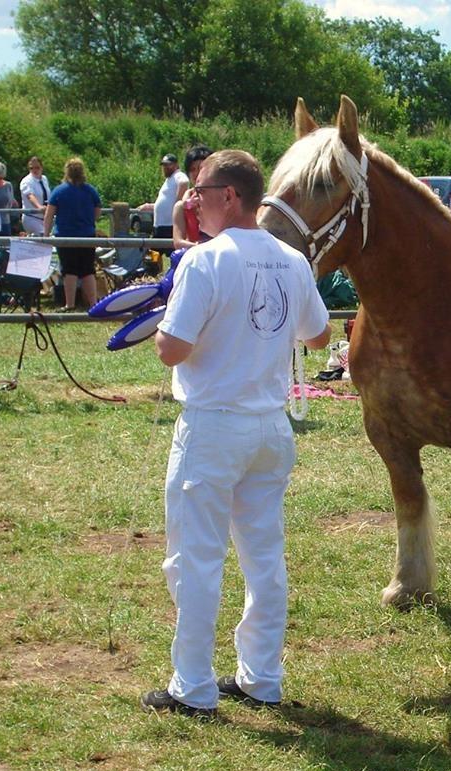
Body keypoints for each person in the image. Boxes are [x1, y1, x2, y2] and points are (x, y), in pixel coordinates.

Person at [143, 149, 331, 717]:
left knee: (196, 558)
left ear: (228, 196)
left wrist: (160, 323)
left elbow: (172, 349)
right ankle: (261, 677)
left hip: (213, 425)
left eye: (200, 191)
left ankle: (192, 685)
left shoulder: (204, 261)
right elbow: (319, 336)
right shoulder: (291, 260)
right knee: (264, 556)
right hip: (270, 426)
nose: (192, 201)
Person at [43, 158, 102, 311]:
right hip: (87, 236)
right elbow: (97, 212)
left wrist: (46, 234)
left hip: (66, 237)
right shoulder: (90, 190)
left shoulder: (59, 191)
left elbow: (49, 215)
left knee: (69, 270)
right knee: (88, 270)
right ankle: (93, 304)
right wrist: (88, 221)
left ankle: (70, 304)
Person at [140, 153, 189, 253]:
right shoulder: (169, 180)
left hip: (169, 225)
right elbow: (166, 202)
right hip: (160, 225)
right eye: (164, 165)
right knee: (154, 253)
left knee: (171, 252)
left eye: (168, 165)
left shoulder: (178, 175)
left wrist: (178, 203)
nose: (165, 167)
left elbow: (184, 182)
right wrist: (149, 206)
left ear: (176, 165)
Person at [172, 145, 213, 250]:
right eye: (192, 169)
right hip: (196, 253)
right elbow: (178, 242)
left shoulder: (223, 200)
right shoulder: (181, 206)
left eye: (201, 168)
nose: (196, 173)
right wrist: (204, 248)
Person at [19, 156, 52, 235]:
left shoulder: (44, 179)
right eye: (31, 168)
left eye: (37, 168)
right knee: (44, 237)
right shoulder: (26, 181)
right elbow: (30, 196)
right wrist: (39, 207)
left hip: (44, 218)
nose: (34, 170)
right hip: (31, 217)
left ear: (42, 168)